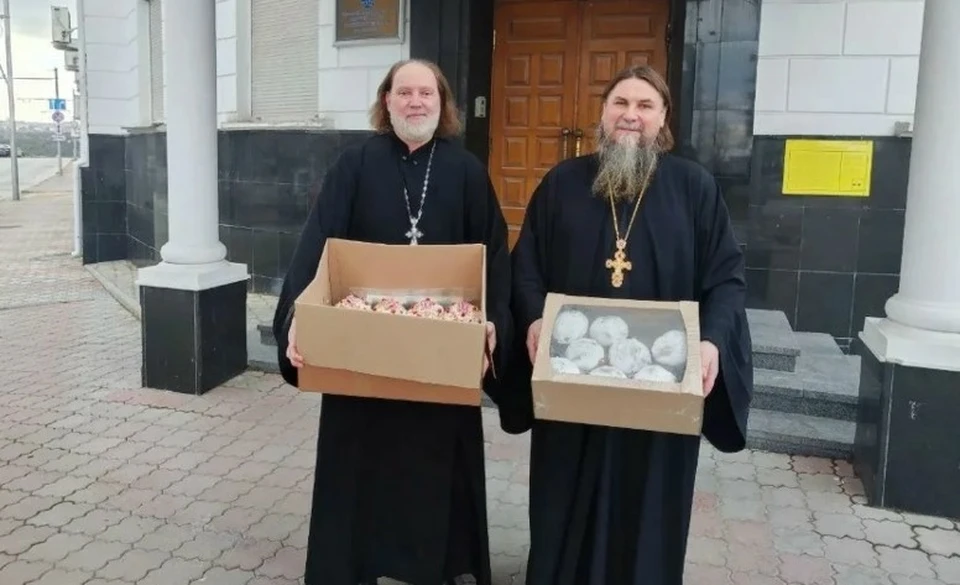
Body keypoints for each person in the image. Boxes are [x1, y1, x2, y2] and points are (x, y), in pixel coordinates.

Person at [504, 64, 754, 584]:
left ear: (663, 120)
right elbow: (526, 266)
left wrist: (711, 342)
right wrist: (532, 319)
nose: (630, 115)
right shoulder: (563, 183)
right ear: (602, 113)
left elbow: (726, 278)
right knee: (566, 487)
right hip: (572, 379)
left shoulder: (694, 188)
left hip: (662, 385)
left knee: (649, 496)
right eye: (620, 103)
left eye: (645, 105)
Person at [272, 58, 513, 585]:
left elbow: (494, 254)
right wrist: (298, 317)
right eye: (404, 92)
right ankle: (355, 564)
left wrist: (494, 320)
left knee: (435, 463)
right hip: (363, 350)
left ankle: (439, 565)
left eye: (426, 93)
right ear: (387, 100)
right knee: (360, 459)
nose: (415, 102)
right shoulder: (354, 165)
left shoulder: (466, 171)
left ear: (442, 103)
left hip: (440, 352)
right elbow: (317, 245)